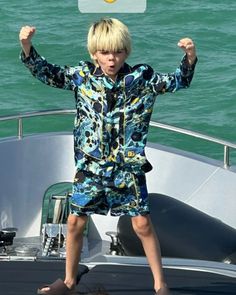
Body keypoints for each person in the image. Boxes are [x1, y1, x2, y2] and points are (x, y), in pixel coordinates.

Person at [19, 18, 197, 295]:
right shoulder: (82, 76)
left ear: (126, 51)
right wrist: (27, 46)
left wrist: (189, 57)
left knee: (142, 224)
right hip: (91, 166)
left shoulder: (142, 78)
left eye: (117, 52)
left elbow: (176, 82)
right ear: (94, 53)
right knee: (75, 222)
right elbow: (48, 73)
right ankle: (68, 281)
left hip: (128, 166)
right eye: (104, 52)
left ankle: (161, 285)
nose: (111, 58)